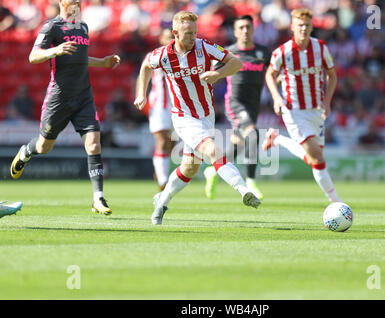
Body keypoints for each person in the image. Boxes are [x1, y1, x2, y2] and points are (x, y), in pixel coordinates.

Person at [134, 11, 261, 225]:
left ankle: (161, 201)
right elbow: (146, 65)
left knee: (189, 168)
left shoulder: (204, 47)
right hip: (183, 117)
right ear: (175, 33)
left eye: (194, 32)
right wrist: (141, 93)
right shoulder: (164, 55)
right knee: (212, 150)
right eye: (187, 34)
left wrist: (218, 74)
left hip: (206, 116)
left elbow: (236, 63)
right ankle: (243, 190)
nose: (192, 37)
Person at [10, 0, 121, 215]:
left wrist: (103, 62)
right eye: (72, 1)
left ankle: (98, 198)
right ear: (61, 2)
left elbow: (80, 59)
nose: (76, 4)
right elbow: (33, 57)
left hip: (83, 96)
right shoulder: (51, 27)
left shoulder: (83, 27)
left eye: (79, 2)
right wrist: (56, 50)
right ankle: (25, 152)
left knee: (94, 145)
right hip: (59, 97)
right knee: (44, 147)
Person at [263, 8, 341, 203]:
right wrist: (276, 98)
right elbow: (270, 74)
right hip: (294, 110)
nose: (303, 29)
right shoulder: (283, 51)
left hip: (316, 109)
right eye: (300, 25)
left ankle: (277, 139)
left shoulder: (321, 48)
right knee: (316, 155)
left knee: (315, 158)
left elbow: (332, 75)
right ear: (292, 27)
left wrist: (327, 101)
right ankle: (337, 203)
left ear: (312, 26)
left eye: (307, 25)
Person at [203, 15, 270, 200]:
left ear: (253, 29)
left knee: (239, 145)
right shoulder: (229, 53)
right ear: (235, 31)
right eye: (241, 27)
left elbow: (273, 73)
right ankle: (251, 181)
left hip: (253, 105)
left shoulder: (263, 52)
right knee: (253, 134)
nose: (245, 30)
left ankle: (213, 171)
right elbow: (212, 73)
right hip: (235, 103)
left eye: (248, 26)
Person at [147, 28, 175, 191]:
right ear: (161, 39)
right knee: (162, 141)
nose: (170, 40)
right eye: (167, 37)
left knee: (172, 143)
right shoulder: (155, 56)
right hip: (159, 106)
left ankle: (160, 171)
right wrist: (140, 95)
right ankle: (163, 181)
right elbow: (142, 74)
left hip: (178, 107)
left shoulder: (183, 57)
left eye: (173, 37)